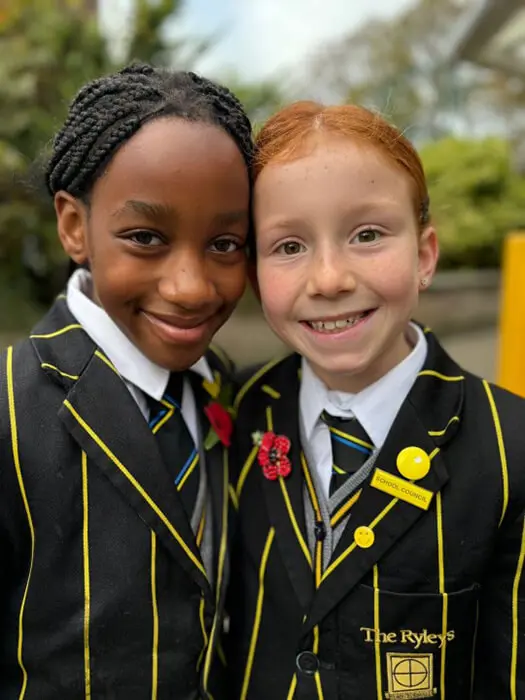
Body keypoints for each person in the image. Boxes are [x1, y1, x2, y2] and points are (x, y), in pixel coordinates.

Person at [226, 101, 525, 699]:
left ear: (424, 255)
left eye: (367, 235)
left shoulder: (509, 444)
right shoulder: (240, 409)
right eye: (288, 246)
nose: (330, 278)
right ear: (256, 278)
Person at [0, 62, 253, 699]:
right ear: (74, 226)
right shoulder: (7, 406)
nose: (191, 287)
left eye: (226, 244)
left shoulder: (231, 388)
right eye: (145, 237)